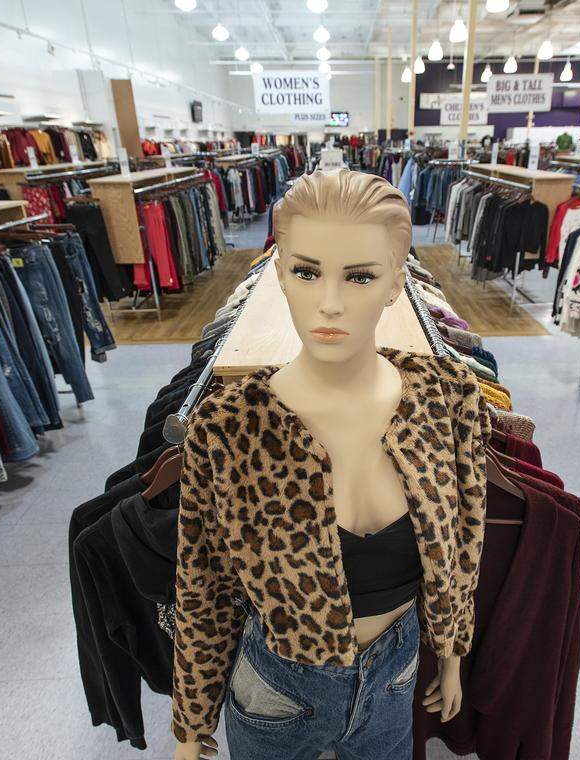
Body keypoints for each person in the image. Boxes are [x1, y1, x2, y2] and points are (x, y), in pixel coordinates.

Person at [172, 169, 489, 760]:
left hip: (396, 673)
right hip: (277, 691)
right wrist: (191, 730)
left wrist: (450, 656)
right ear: (278, 274)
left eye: (361, 276)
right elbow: (203, 584)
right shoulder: (229, 426)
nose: (331, 303)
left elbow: (464, 543)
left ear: (398, 283)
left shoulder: (447, 398)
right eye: (307, 271)